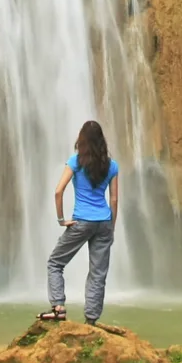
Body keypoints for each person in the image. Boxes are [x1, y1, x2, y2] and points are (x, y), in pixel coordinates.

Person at [38, 119, 119, 325]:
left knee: (55, 263)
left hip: (81, 221)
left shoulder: (75, 162)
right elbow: (114, 198)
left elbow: (58, 191)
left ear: (81, 140)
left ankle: (58, 308)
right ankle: (91, 321)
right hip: (103, 222)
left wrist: (61, 220)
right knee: (98, 273)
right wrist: (112, 226)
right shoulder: (111, 166)